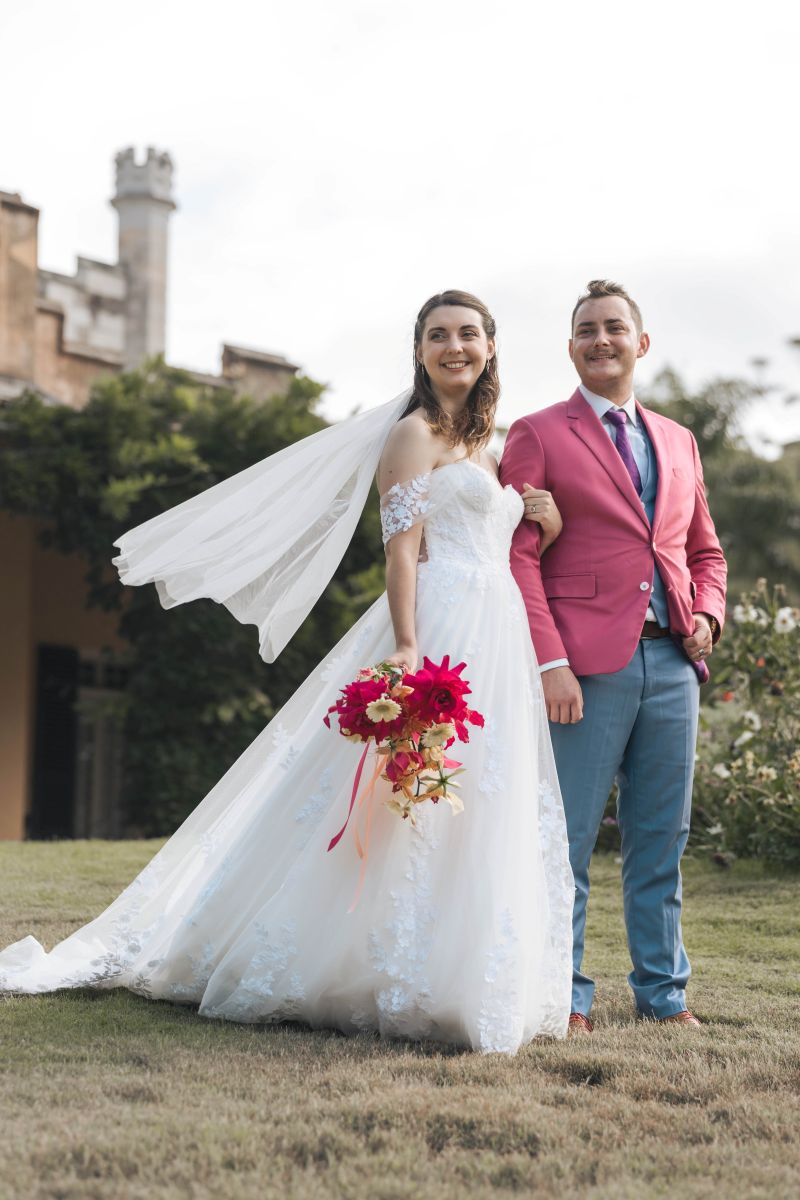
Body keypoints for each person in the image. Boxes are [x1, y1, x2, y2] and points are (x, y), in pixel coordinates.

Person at [0, 290, 574, 1055]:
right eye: (438, 336)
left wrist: (543, 516)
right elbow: (400, 551)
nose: (454, 347)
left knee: (476, 793)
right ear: (420, 351)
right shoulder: (411, 435)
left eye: (468, 334)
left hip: (497, 631)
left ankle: (461, 974)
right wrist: (407, 645)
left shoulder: (492, 448)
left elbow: (504, 540)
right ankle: (360, 963)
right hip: (440, 625)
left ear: (492, 346)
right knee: (402, 793)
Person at [501, 279, 728, 1033]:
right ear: (571, 348)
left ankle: (664, 996)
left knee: (662, 840)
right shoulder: (536, 433)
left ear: (641, 341)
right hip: (583, 669)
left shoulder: (679, 440)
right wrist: (550, 661)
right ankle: (562, 994)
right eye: (587, 330)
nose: (601, 340)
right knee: (562, 842)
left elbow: (705, 552)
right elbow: (518, 558)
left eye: (614, 328)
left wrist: (706, 613)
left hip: (672, 666)